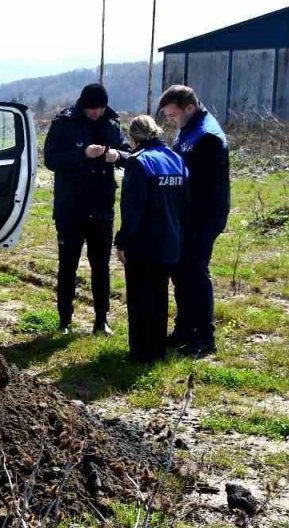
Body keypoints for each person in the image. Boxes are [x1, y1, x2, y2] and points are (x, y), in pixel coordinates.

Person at [42, 83, 131, 335]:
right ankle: (64, 321)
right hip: (71, 206)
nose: (96, 114)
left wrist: (117, 155)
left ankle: (101, 319)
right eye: (92, 110)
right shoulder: (64, 123)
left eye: (100, 109)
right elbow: (51, 159)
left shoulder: (112, 124)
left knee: (101, 266)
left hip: (102, 205)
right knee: (67, 265)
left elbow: (128, 153)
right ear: (83, 106)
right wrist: (82, 153)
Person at [158, 85, 230, 356]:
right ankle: (184, 329)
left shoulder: (207, 136)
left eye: (173, 114)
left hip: (202, 216)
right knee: (181, 273)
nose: (170, 120)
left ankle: (204, 336)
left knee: (195, 273)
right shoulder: (189, 128)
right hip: (185, 216)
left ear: (189, 107)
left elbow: (204, 187)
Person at [116, 115, 186, 363]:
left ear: (133, 138)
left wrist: (123, 241)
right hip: (170, 241)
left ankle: (140, 353)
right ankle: (158, 348)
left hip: (144, 243)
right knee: (159, 295)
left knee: (139, 298)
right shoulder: (176, 159)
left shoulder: (138, 162)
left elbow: (133, 209)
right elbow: (184, 204)